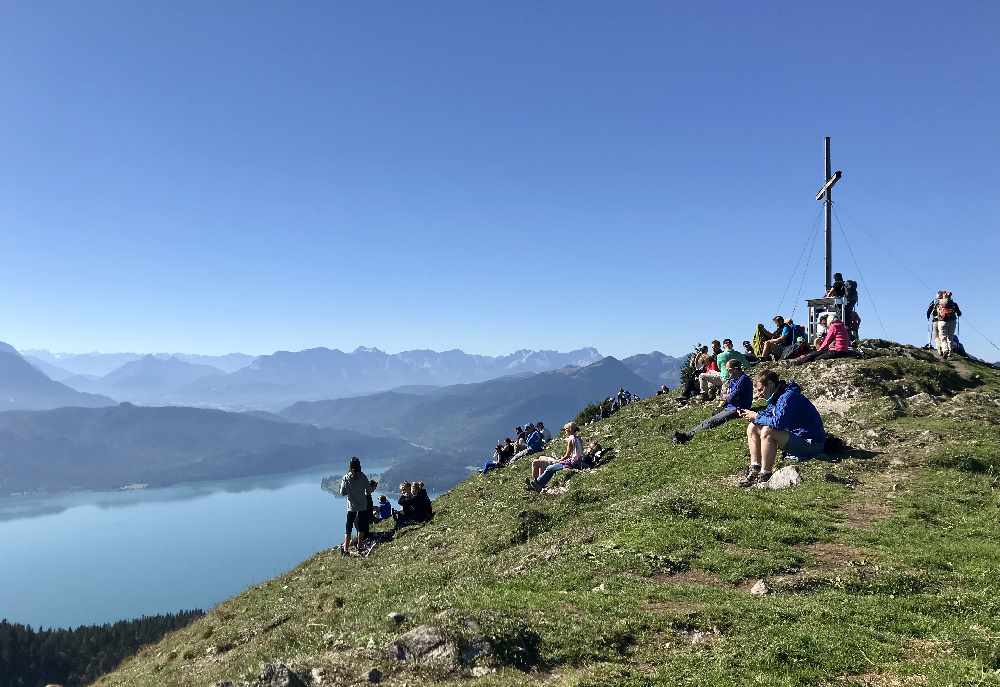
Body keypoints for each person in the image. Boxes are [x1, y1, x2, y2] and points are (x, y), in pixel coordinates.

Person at [736, 371, 825, 487]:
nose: (759, 394)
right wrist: (751, 415)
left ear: (770, 384)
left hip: (811, 444)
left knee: (768, 432)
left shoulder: (788, 397)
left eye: (761, 389)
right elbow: (768, 414)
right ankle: (755, 469)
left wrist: (757, 417)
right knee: (753, 426)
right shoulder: (777, 396)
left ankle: (765, 475)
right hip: (797, 438)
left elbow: (779, 423)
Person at [673, 358, 752, 444]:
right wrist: (725, 398)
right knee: (710, 418)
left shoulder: (743, 380)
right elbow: (726, 395)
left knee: (712, 421)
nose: (728, 373)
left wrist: (726, 397)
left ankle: (686, 436)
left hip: (738, 408)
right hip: (730, 406)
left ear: (736, 369)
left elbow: (731, 397)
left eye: (729, 370)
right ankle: (687, 434)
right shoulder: (733, 379)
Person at [526, 422, 585, 491]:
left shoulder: (571, 440)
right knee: (547, 465)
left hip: (573, 462)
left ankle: (537, 484)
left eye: (565, 430)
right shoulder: (579, 438)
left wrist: (560, 460)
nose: (565, 432)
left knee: (550, 468)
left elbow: (567, 455)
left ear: (569, 430)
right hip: (579, 461)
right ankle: (537, 483)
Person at [791, 315, 860, 365]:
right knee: (818, 354)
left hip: (836, 351)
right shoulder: (842, 326)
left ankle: (798, 363)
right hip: (843, 350)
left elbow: (827, 341)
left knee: (816, 357)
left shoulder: (834, 326)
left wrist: (820, 350)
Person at [338, 457, 370, 554]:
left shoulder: (346, 478)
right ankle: (360, 546)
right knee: (361, 527)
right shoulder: (363, 476)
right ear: (359, 466)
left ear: (350, 466)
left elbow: (342, 492)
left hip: (351, 506)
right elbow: (368, 491)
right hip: (362, 505)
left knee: (348, 527)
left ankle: (345, 548)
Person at [926, 290, 962, 359]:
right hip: (952, 321)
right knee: (950, 337)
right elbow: (959, 313)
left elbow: (928, 312)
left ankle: (941, 350)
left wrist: (928, 317)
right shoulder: (953, 303)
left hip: (939, 321)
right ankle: (950, 352)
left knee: (938, 337)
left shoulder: (936, 302)